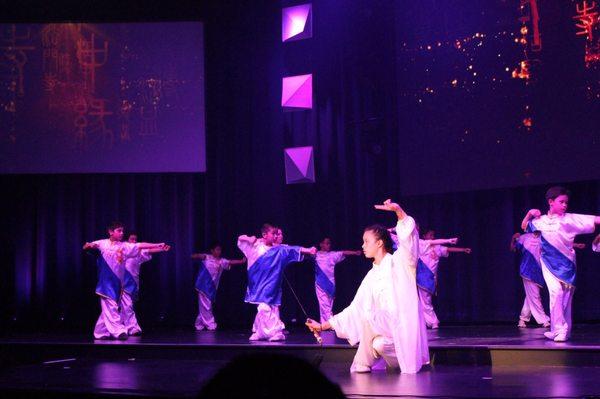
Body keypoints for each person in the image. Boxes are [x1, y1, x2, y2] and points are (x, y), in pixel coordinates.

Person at [306, 199, 429, 373]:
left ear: (379, 243)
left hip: (404, 335)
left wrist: (399, 213)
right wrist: (322, 326)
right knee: (377, 342)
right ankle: (363, 365)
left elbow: (409, 243)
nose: (362, 246)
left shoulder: (400, 262)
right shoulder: (371, 276)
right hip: (389, 343)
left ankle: (360, 365)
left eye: (366, 241)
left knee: (370, 318)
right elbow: (355, 309)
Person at [521, 186, 599, 341]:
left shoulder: (570, 218)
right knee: (556, 292)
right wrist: (529, 213)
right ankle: (559, 329)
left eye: (566, 202)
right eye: (561, 202)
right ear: (551, 202)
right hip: (548, 263)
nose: (565, 205)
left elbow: (595, 219)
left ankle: (558, 330)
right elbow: (524, 227)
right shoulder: (540, 221)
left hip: (567, 264)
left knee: (565, 298)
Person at [191, 243, 246, 331]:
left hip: (212, 286)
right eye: (217, 249)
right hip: (203, 285)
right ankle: (210, 324)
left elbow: (230, 262)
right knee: (206, 305)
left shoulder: (221, 261)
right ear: (212, 250)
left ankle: (199, 323)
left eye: (219, 250)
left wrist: (241, 261)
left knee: (204, 305)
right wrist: (192, 255)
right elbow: (196, 256)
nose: (218, 251)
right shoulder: (207, 257)